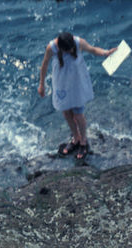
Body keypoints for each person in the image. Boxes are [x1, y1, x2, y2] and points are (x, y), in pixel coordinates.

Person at [38, 31, 116, 162]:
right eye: (67, 50)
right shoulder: (51, 47)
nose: (70, 51)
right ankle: (76, 138)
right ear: (61, 48)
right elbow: (44, 64)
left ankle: (84, 142)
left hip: (76, 83)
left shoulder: (78, 42)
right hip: (62, 83)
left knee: (78, 114)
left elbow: (92, 49)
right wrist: (41, 84)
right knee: (66, 113)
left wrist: (106, 53)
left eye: (71, 49)